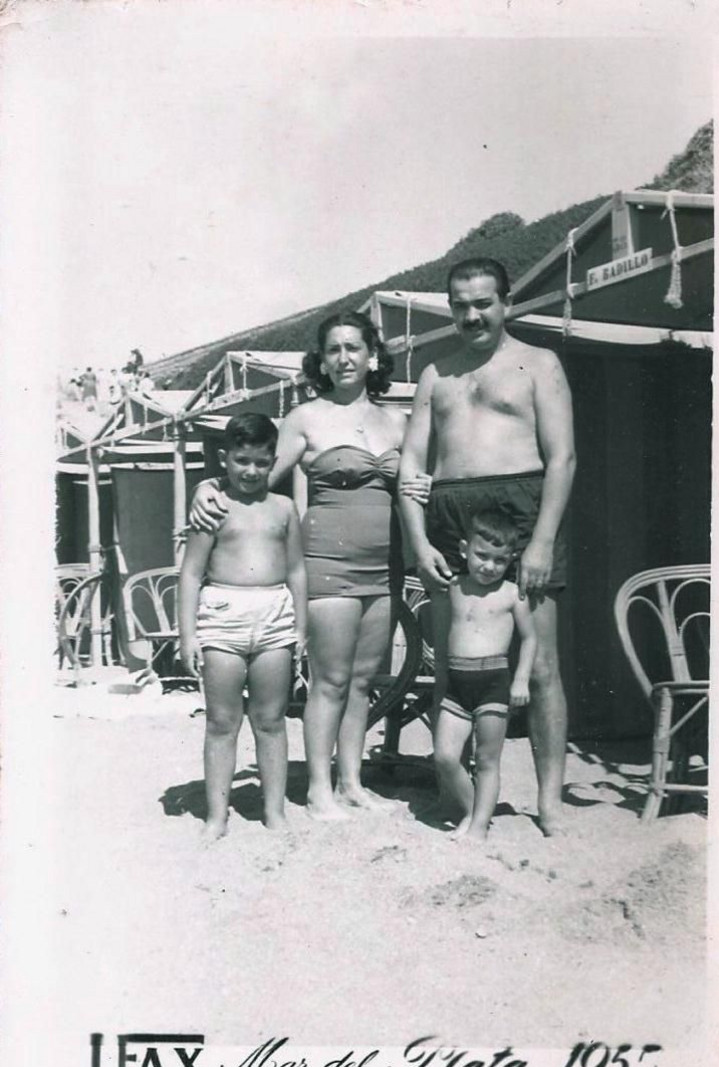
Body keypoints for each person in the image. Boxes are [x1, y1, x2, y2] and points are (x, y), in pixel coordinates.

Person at [190, 311, 430, 821]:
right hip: (327, 563)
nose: (344, 358)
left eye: (354, 348)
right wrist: (204, 487)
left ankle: (351, 782)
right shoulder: (305, 418)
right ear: (320, 361)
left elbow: (414, 485)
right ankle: (319, 787)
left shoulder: (398, 421)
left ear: (373, 356)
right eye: (334, 350)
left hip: (382, 566)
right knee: (330, 679)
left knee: (365, 680)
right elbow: (251, 478)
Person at [399, 256, 575, 837]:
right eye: (460, 305)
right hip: (449, 514)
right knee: (455, 659)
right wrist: (418, 538)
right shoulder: (435, 374)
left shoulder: (538, 364)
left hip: (522, 510)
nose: (472, 315)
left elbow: (562, 459)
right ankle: (462, 793)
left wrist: (543, 539)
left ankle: (549, 801)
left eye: (483, 303)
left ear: (506, 303)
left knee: (540, 663)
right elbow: (410, 466)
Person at [178, 412, 307, 840]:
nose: (250, 471)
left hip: (274, 615)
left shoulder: (285, 508)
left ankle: (275, 811)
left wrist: (300, 629)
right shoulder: (212, 507)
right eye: (241, 461)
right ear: (224, 459)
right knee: (221, 720)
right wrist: (188, 635)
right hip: (222, 617)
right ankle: (217, 815)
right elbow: (191, 575)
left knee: (271, 719)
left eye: (260, 462)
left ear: (273, 461)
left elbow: (297, 571)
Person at [435, 508, 536, 841]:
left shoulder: (511, 593)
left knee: (487, 759)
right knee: (446, 757)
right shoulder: (453, 586)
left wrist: (521, 679)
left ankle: (478, 827)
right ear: (464, 549)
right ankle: (472, 811)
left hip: (494, 682)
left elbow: (530, 638)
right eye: (482, 555)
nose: (489, 566)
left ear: (511, 560)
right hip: (456, 685)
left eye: (499, 560)